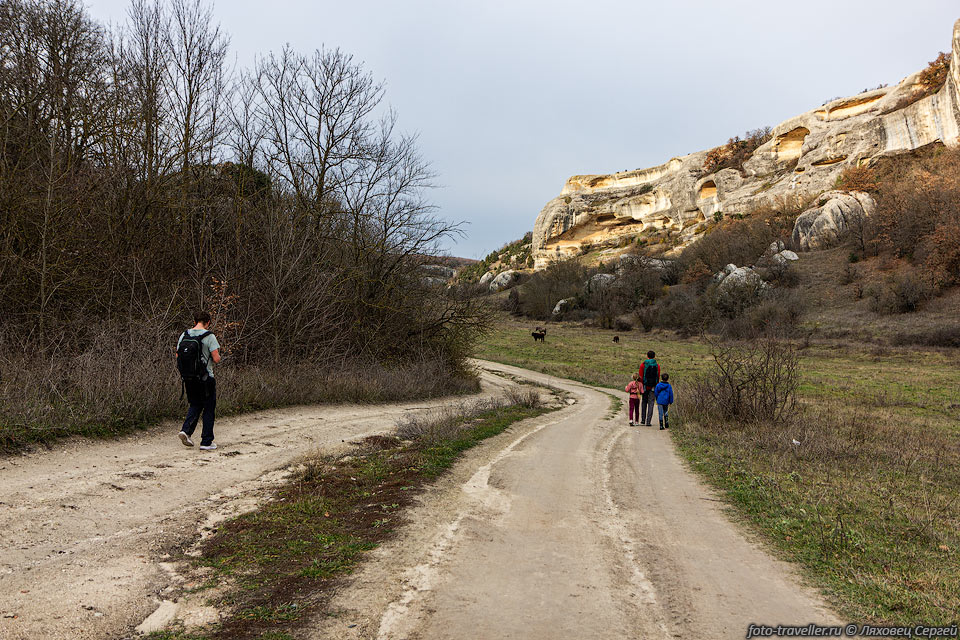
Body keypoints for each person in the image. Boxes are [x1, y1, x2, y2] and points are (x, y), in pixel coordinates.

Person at [176, 311, 222, 450]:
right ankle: (206, 442)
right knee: (208, 408)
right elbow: (216, 358)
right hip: (206, 377)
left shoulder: (185, 334)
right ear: (208, 322)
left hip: (189, 377)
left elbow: (178, 354)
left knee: (195, 404)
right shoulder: (210, 336)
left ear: (195, 320)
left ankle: (186, 431)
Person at [639, 350, 660, 426]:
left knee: (644, 402)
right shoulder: (657, 366)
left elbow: (640, 377)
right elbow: (658, 377)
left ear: (647, 356)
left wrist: (641, 386)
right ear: (654, 356)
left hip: (645, 386)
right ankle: (648, 421)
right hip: (653, 387)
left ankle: (643, 420)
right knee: (651, 403)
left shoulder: (643, 365)